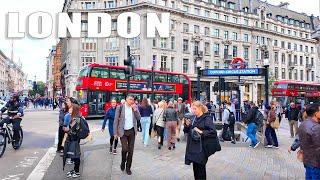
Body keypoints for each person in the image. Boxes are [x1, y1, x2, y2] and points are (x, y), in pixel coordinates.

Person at [184, 101, 219, 180]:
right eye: (192, 109)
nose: (193, 111)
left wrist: (201, 132)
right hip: (193, 147)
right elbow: (187, 131)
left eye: (195, 109)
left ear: (200, 108)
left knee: (201, 170)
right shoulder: (193, 118)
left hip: (201, 148)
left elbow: (213, 132)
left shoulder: (207, 118)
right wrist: (187, 125)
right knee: (195, 169)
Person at [113, 95, 141, 175]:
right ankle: (123, 161)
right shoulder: (120, 107)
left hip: (132, 131)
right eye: (130, 99)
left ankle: (128, 168)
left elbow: (139, 118)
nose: (132, 101)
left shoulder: (134, 107)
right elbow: (115, 120)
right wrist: (115, 133)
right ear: (126, 100)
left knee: (131, 151)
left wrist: (135, 110)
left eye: (133, 100)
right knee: (125, 149)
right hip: (123, 132)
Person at [297, 103, 320, 179]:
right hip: (316, 163)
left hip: (307, 160)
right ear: (316, 113)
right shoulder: (316, 127)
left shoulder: (303, 124)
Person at [63, 103, 82, 178]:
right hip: (72, 139)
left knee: (76, 156)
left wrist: (67, 129)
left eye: (71, 109)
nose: (70, 110)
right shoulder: (73, 117)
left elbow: (75, 129)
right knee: (74, 155)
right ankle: (75, 169)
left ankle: (77, 172)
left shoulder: (77, 118)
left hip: (75, 139)